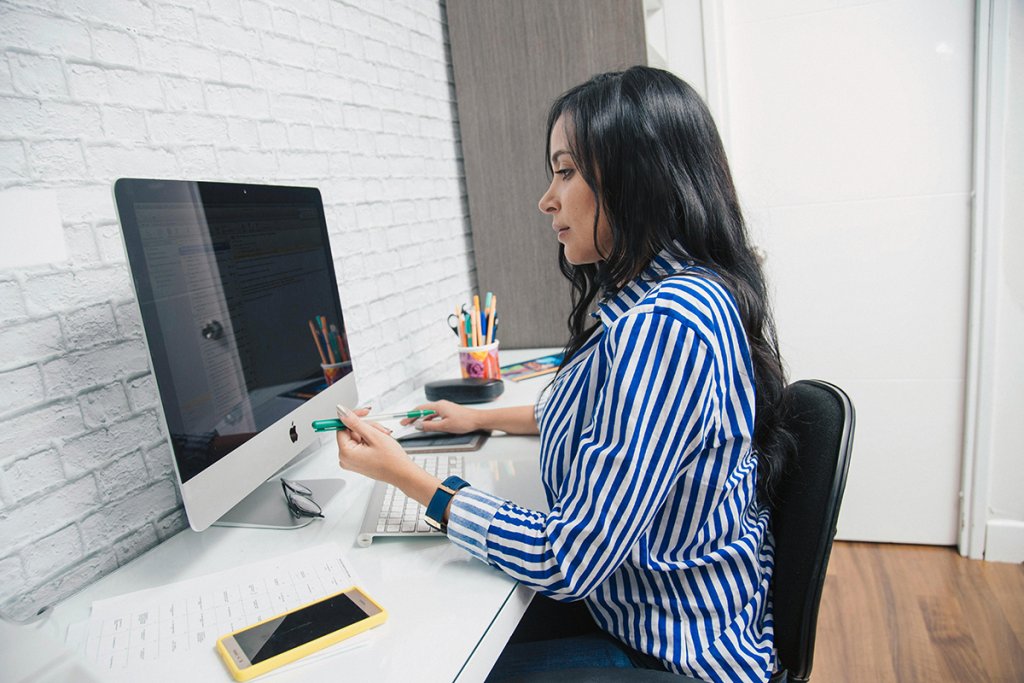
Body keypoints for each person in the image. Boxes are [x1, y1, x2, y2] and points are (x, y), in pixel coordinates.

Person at [335, 66, 791, 683]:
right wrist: (476, 418)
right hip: (636, 612)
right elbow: (609, 420)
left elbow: (567, 558)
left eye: (566, 171)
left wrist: (408, 480)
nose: (546, 199)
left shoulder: (666, 325)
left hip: (677, 654)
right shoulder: (674, 297)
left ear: (639, 178)